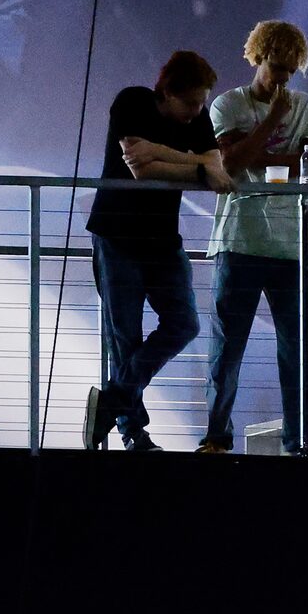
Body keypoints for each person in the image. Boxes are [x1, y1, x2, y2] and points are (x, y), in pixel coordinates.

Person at [82, 52, 230, 454]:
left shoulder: (197, 119)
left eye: (202, 103)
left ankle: (113, 399)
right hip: (117, 236)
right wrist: (197, 165)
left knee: (184, 323)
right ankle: (135, 435)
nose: (198, 112)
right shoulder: (132, 101)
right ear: (167, 92)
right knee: (125, 337)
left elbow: (216, 169)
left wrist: (173, 157)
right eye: (191, 103)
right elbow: (140, 168)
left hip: (163, 240)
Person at [202, 20, 308, 455]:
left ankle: (301, 441)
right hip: (239, 240)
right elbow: (232, 162)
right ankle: (217, 438)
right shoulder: (228, 104)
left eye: (290, 71)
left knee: (297, 352)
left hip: (293, 246)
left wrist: (265, 155)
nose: (282, 78)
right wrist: (274, 123)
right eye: (276, 67)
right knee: (227, 349)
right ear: (258, 58)